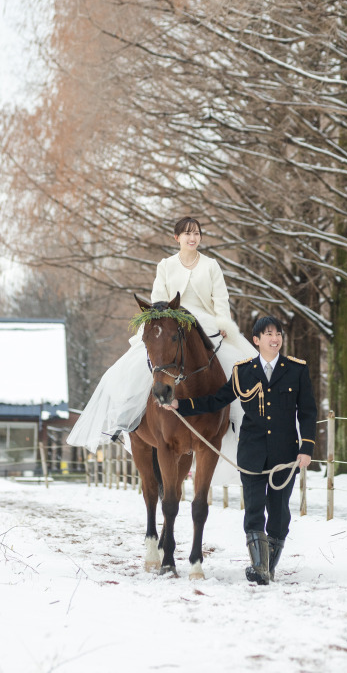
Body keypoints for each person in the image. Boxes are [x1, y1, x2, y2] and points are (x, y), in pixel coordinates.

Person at [67, 217, 254, 462]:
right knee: (136, 365)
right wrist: (165, 321)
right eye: (187, 233)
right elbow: (158, 297)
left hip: (204, 326)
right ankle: (127, 416)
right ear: (176, 238)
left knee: (240, 366)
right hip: (170, 324)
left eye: (196, 233)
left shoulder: (211, 265)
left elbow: (220, 299)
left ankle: (237, 422)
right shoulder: (166, 265)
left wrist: (223, 324)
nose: (192, 237)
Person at [161, 315, 317, 585]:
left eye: (277, 333)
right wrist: (180, 406)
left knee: (279, 513)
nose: (274, 338)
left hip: (285, 454)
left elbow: (307, 412)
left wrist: (307, 448)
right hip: (252, 453)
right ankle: (260, 569)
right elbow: (216, 400)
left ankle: (268, 565)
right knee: (254, 510)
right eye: (268, 334)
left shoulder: (296, 370)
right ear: (256, 341)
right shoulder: (242, 371)